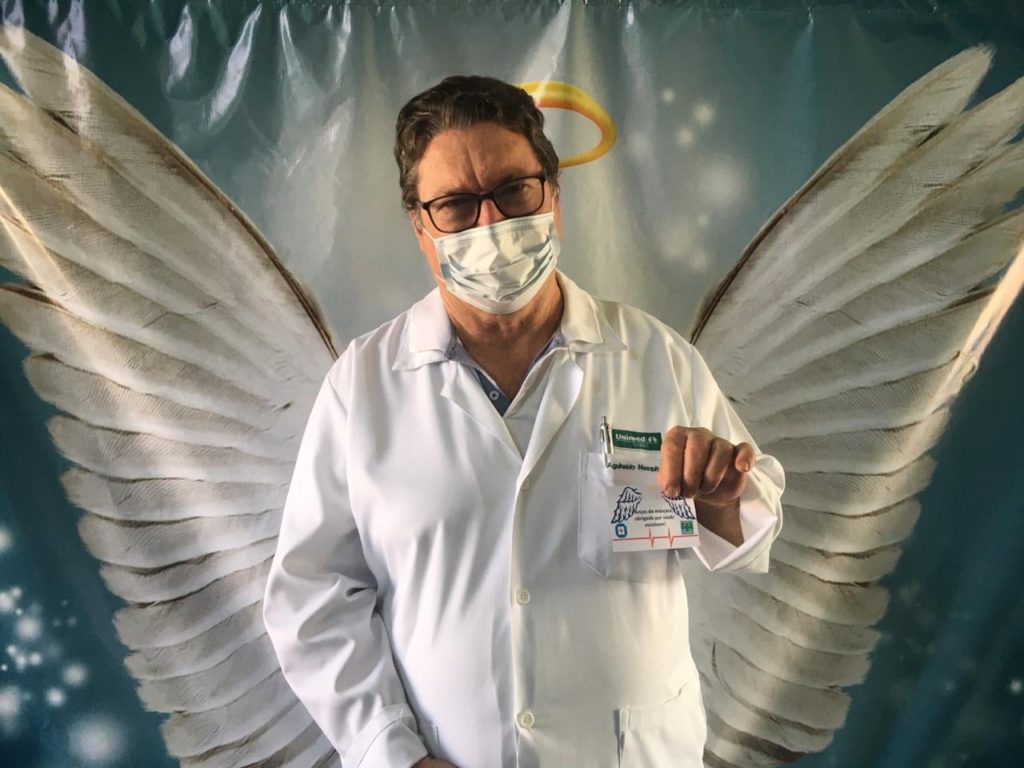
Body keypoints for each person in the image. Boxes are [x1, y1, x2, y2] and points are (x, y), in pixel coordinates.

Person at [262, 75, 784, 768]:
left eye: (514, 190)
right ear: (420, 226)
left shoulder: (656, 358)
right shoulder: (363, 387)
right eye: (455, 204)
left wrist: (721, 502)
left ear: (554, 195)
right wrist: (387, 752)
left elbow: (754, 525)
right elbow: (312, 596)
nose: (492, 225)